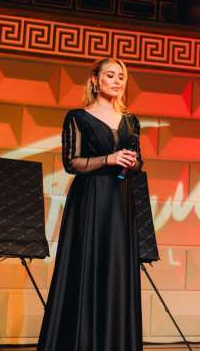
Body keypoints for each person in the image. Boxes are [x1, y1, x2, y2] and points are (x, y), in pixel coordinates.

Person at [38, 57, 143, 350]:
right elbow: (71, 162)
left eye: (121, 76)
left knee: (117, 268)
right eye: (110, 75)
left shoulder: (131, 120)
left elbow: (139, 163)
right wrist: (109, 159)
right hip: (90, 198)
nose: (117, 81)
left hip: (120, 200)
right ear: (95, 80)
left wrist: (132, 162)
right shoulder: (78, 117)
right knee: (86, 265)